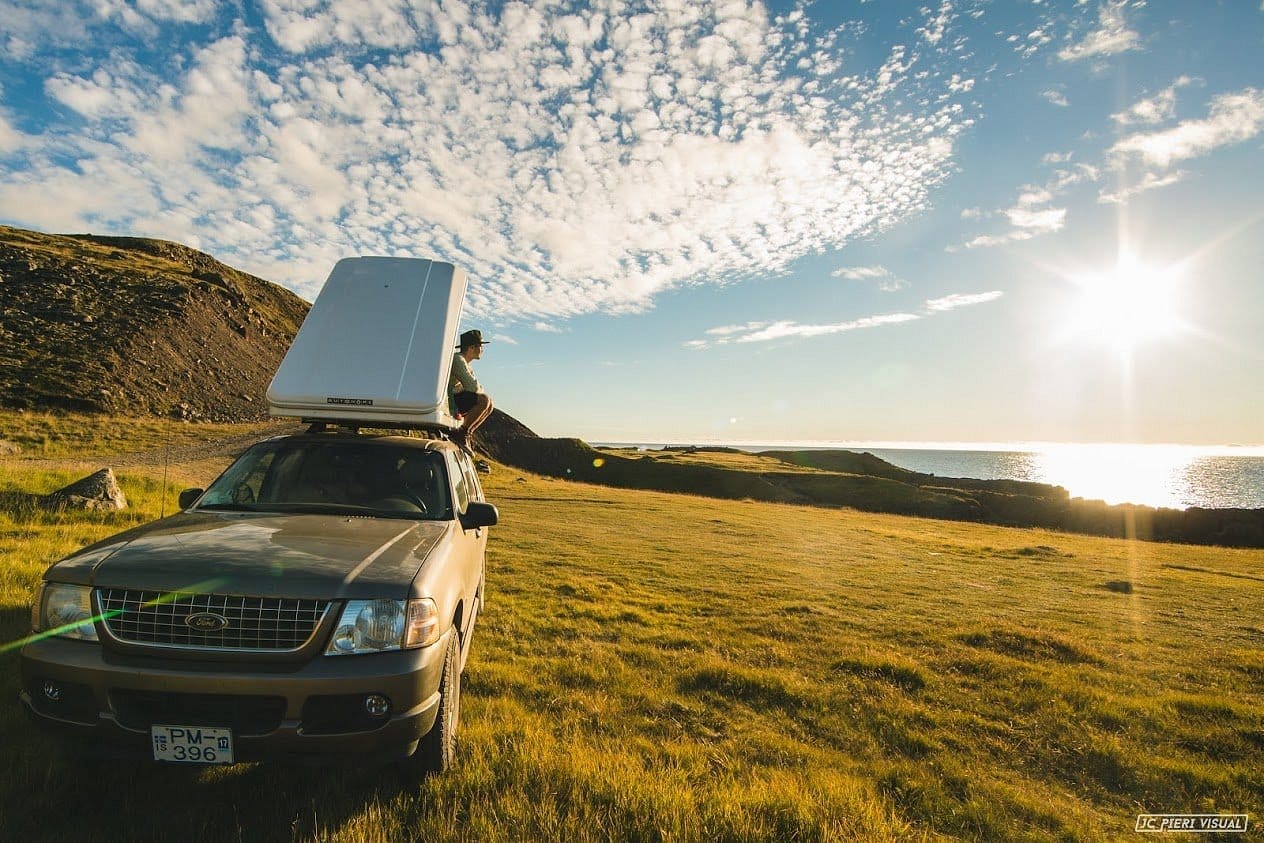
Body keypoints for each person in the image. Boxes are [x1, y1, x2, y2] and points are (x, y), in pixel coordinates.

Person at [449, 329, 493, 463]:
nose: (482, 349)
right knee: (484, 400)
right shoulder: (458, 360)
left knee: (489, 404)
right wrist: (479, 390)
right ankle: (462, 433)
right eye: (481, 346)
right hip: (452, 401)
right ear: (472, 347)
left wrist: (479, 390)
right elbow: (473, 387)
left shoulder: (466, 364)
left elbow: (475, 387)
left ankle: (466, 433)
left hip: (457, 398)